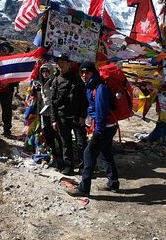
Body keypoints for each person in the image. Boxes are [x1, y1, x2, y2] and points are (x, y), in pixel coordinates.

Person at [66, 61, 119, 197]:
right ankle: (113, 182)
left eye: (87, 72)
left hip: (104, 127)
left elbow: (101, 112)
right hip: (109, 126)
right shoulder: (92, 85)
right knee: (105, 153)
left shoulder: (100, 88)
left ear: (93, 73)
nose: (84, 75)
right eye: (82, 72)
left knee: (89, 154)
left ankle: (84, 188)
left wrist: (97, 133)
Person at [50, 54, 87, 175]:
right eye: (59, 63)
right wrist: (54, 120)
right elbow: (52, 102)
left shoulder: (77, 79)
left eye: (63, 62)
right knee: (66, 144)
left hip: (77, 118)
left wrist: (82, 116)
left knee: (81, 143)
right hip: (62, 118)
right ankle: (68, 166)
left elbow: (83, 99)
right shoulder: (56, 81)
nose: (61, 65)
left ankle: (83, 167)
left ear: (69, 64)